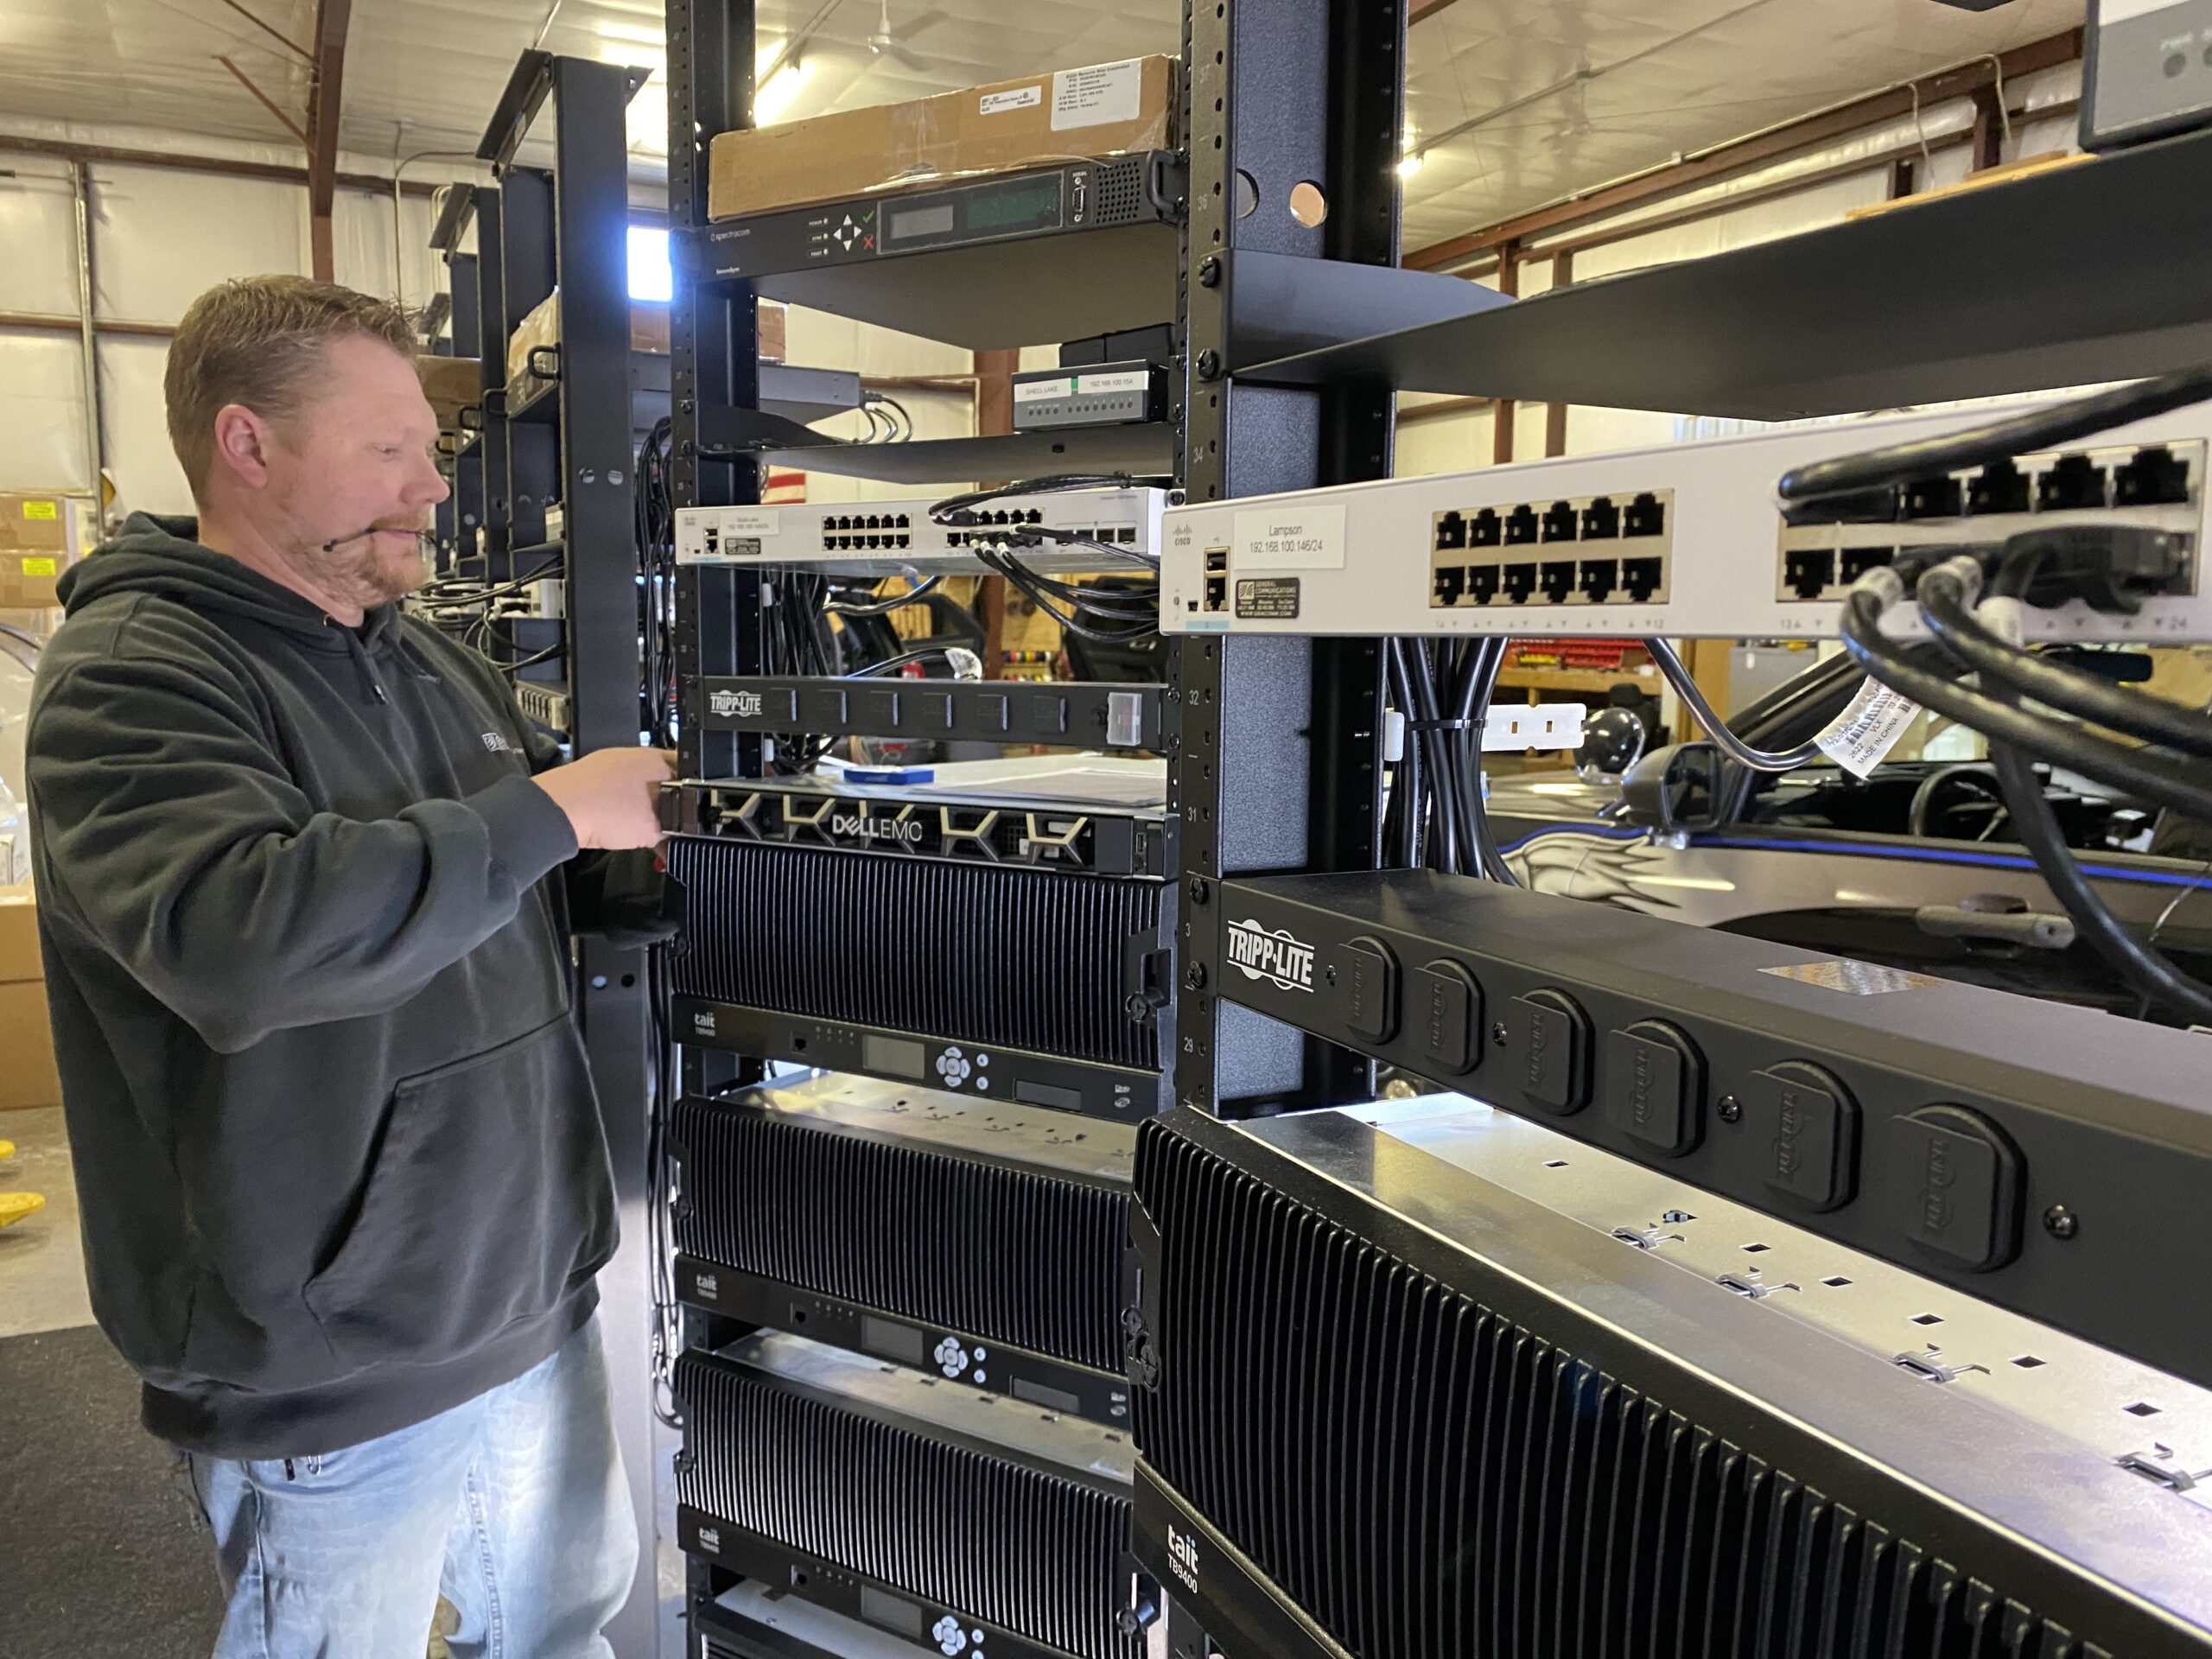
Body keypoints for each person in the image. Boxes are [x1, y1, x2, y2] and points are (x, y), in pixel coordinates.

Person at [25, 276, 672, 1657]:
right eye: (392, 450)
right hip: (326, 1352)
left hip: (520, 1296)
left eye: (428, 452)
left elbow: (507, 904)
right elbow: (244, 941)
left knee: (565, 1628)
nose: (432, 488)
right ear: (247, 445)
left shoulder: (431, 663)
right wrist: (554, 811)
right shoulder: (132, 673)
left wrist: (665, 863)